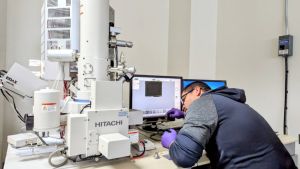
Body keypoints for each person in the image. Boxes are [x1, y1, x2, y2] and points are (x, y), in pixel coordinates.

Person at [161, 82, 297, 169]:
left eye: (183, 99)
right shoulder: (229, 101)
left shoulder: (202, 102)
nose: (183, 105)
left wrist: (172, 142)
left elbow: (184, 157)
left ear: (197, 91)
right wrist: (186, 115)